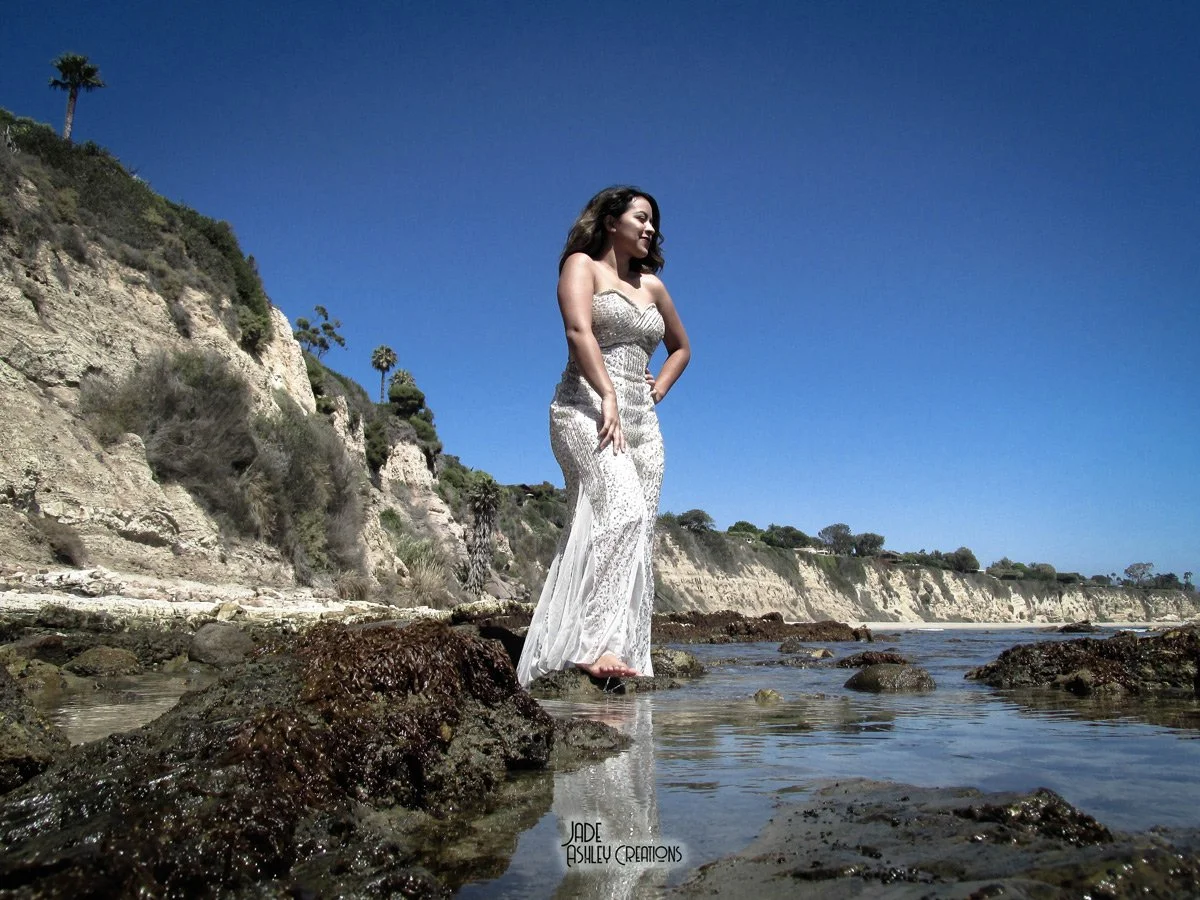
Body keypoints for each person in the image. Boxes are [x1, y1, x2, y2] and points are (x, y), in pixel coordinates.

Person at [517, 186, 690, 686]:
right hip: (584, 410)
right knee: (621, 511)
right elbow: (578, 331)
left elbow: (681, 348)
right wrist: (608, 393)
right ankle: (592, 644)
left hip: (643, 426)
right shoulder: (581, 266)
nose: (651, 228)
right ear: (612, 220)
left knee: (636, 532)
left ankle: (614, 643)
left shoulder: (653, 287)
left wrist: (657, 386)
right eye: (642, 217)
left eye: (654, 221)